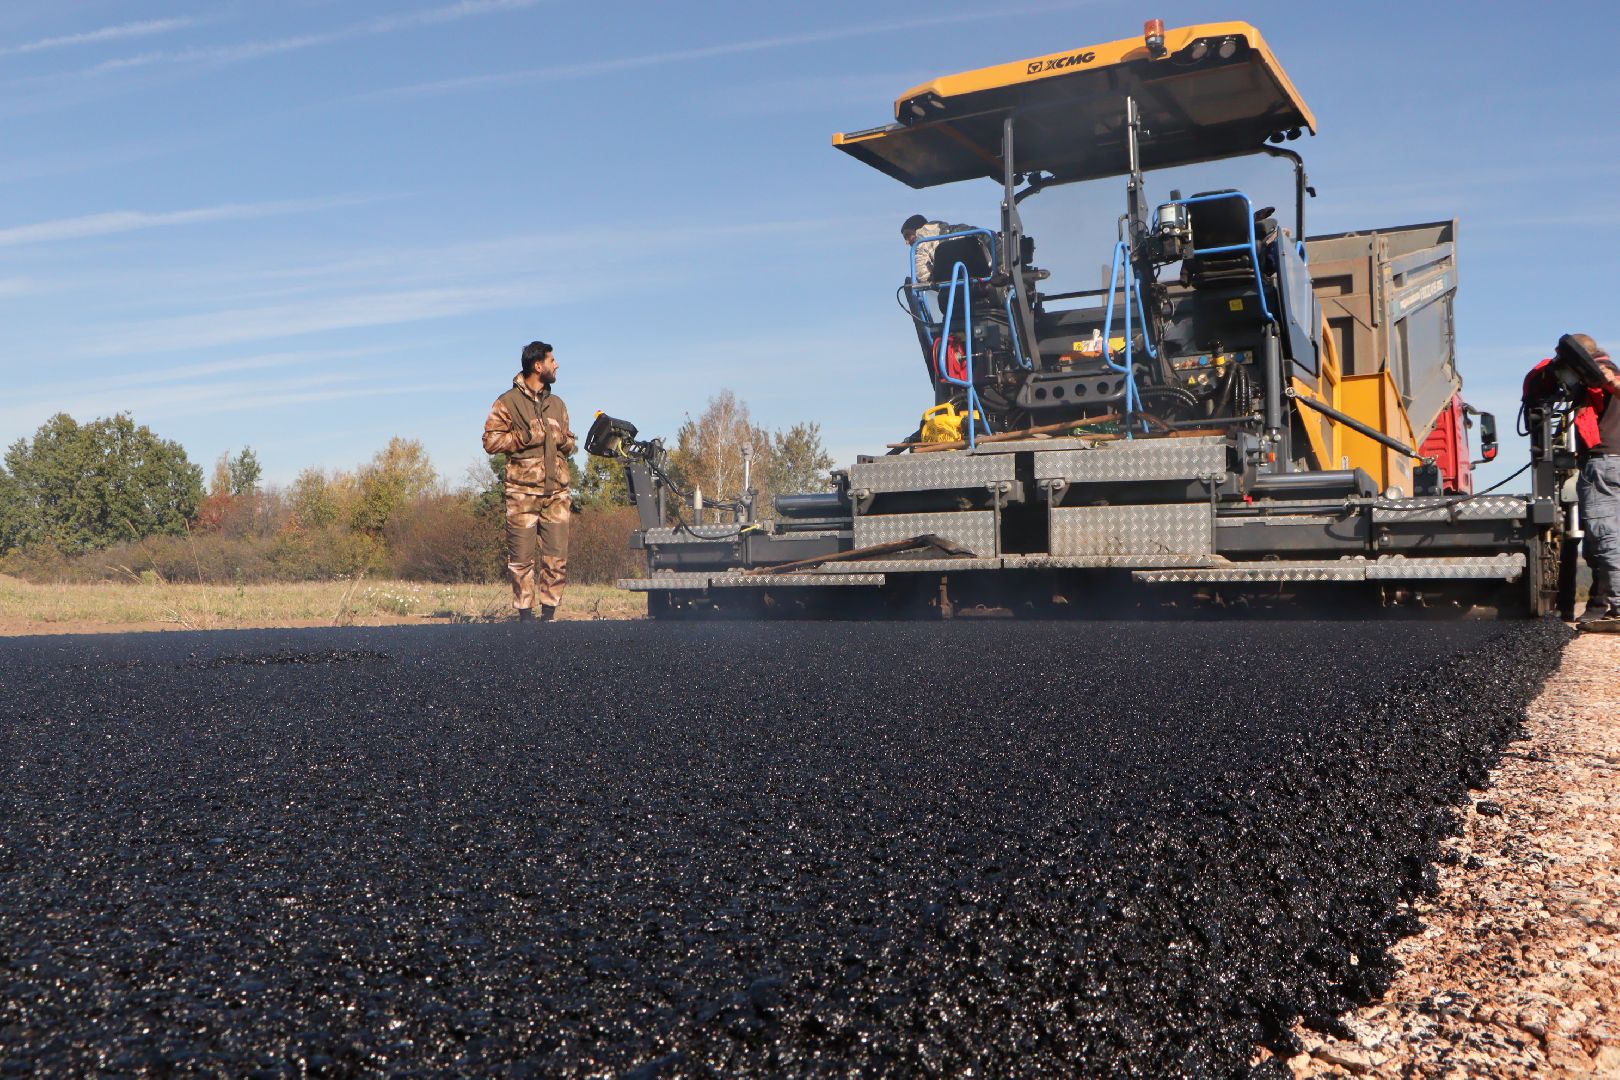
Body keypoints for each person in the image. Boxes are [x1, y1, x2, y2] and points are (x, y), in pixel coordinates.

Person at [1523, 333, 1620, 624]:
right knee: (1599, 540)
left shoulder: (1602, 376)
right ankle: (1600, 603)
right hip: (1608, 463)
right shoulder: (1605, 374)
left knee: (1606, 537)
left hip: (1603, 464)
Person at [482, 341, 576, 622]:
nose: (556, 364)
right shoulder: (507, 402)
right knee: (522, 560)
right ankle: (525, 619)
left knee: (556, 558)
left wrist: (564, 440)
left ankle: (549, 617)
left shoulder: (557, 404)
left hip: (557, 492)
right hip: (522, 494)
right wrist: (525, 436)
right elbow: (490, 441)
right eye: (552, 360)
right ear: (538, 366)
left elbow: (570, 443)